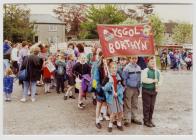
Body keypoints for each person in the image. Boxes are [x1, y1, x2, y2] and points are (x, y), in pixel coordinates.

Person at [141, 56, 162, 127]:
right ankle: (146, 120)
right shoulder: (145, 70)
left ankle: (150, 119)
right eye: (151, 61)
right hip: (146, 91)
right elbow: (144, 79)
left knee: (152, 106)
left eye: (154, 62)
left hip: (154, 91)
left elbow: (161, 80)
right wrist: (153, 80)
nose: (153, 63)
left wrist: (158, 85)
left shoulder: (157, 71)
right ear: (148, 62)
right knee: (147, 106)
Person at [122, 56, 142, 127]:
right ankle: (127, 119)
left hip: (136, 88)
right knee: (127, 104)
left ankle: (134, 117)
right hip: (129, 88)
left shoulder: (139, 67)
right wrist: (125, 87)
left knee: (135, 103)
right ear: (130, 59)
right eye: (133, 58)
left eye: (136, 58)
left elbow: (139, 79)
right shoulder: (127, 68)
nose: (134, 60)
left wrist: (139, 87)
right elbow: (124, 78)